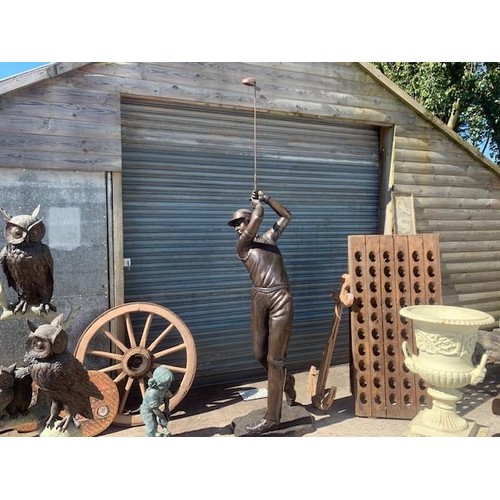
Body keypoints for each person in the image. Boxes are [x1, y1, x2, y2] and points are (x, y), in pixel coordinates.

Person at [228, 189, 296, 435]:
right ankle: (285, 381)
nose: (237, 228)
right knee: (259, 353)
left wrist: (266, 199)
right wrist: (257, 206)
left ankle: (272, 419)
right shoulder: (242, 247)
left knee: (275, 359)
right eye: (234, 225)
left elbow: (286, 215)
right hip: (259, 298)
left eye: (239, 222)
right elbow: (257, 218)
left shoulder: (269, 239)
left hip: (280, 297)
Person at [140, 366, 174, 437]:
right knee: (151, 426)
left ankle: (156, 434)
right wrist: (162, 417)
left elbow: (167, 397)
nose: (168, 385)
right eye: (166, 383)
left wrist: (166, 409)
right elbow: (155, 409)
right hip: (147, 411)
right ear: (159, 381)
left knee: (156, 423)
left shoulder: (163, 389)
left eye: (169, 383)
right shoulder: (152, 393)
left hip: (155, 409)